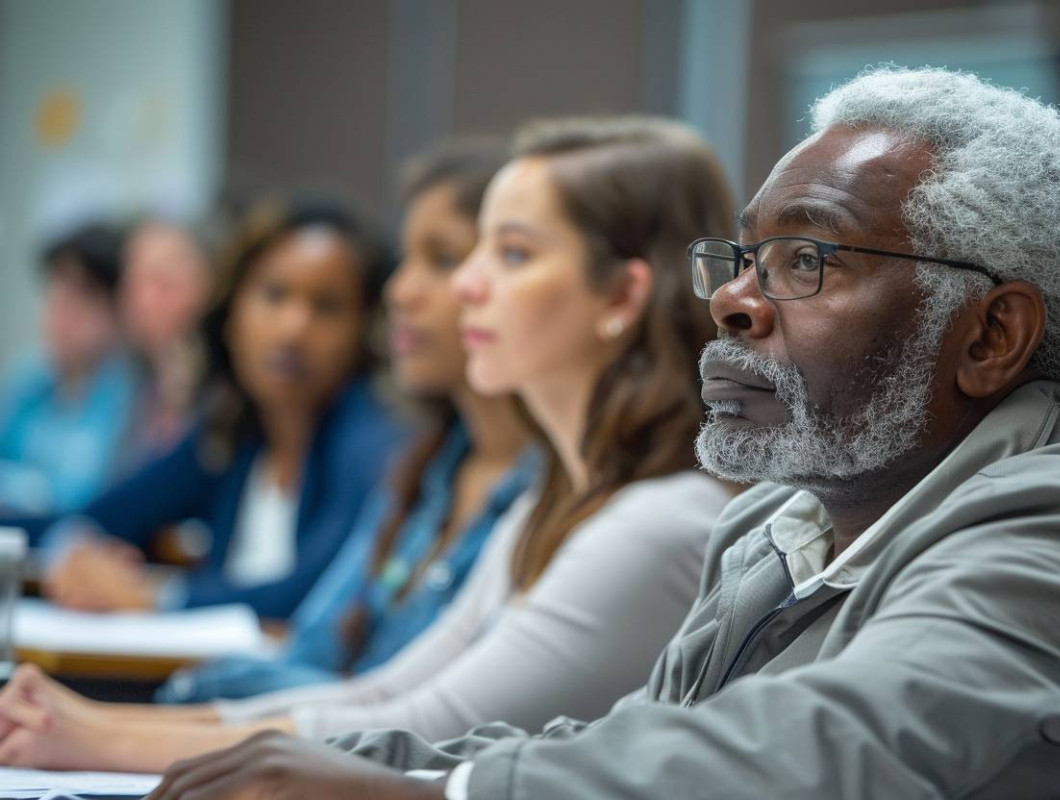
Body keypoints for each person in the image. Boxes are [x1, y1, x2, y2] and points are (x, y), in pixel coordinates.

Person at [82, 67, 1060, 799]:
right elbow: (633, 742)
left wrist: (427, 794)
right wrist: (335, 772)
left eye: (807, 260)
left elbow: (812, 754)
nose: (736, 299)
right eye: (743, 255)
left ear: (989, 335)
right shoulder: (777, 526)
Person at [0, 116, 735, 772]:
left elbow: (425, 726)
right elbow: (386, 688)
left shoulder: (656, 521)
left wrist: (101, 737)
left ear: (620, 297)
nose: (463, 286)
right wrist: (91, 724)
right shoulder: (548, 501)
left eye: (507, 254)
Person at [155, 141, 539, 703]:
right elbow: (317, 648)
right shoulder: (428, 463)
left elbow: (420, 714)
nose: (400, 292)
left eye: (442, 259)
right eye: (273, 295)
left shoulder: (381, 442)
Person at [0, 200, 404, 619]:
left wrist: (158, 599)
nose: (293, 328)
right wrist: (80, 552)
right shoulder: (231, 434)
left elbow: (319, 590)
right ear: (230, 315)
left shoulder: (369, 440)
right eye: (274, 295)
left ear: (365, 329)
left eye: (327, 306)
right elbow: (108, 514)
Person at [0, 223, 138, 515]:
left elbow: (86, 497)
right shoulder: (28, 380)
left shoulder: (130, 394)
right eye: (54, 295)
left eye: (79, 300)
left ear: (117, 310)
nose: (61, 314)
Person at [117, 219, 214, 463]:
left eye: (162, 283)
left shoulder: (224, 397)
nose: (142, 300)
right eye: (133, 283)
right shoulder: (128, 380)